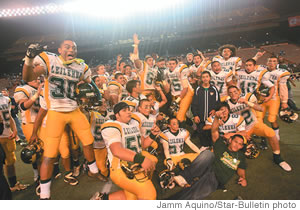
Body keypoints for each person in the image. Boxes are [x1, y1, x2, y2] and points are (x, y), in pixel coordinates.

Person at [22, 40, 106, 199]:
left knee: (88, 141)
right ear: (59, 49)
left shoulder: (81, 66)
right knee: (50, 154)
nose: (71, 49)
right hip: (56, 112)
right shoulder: (50, 60)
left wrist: (98, 94)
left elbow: (90, 81)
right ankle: (45, 194)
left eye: (74, 47)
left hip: (74, 109)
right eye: (67, 46)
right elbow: (28, 76)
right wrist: (29, 58)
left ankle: (93, 170)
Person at [169, 109, 247, 200]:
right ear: (230, 140)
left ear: (242, 147)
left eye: (240, 144)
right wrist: (217, 117)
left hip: (217, 179)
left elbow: (241, 170)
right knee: (208, 153)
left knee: (193, 194)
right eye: (235, 142)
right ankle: (184, 177)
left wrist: (243, 177)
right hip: (209, 169)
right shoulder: (221, 145)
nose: (237, 145)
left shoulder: (241, 156)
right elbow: (214, 131)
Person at [91, 102, 160, 200]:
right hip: (121, 168)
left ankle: (101, 199)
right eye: (124, 110)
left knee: (133, 196)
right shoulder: (112, 126)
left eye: (129, 110)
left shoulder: (134, 123)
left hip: (135, 165)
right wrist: (142, 159)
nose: (128, 112)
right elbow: (117, 151)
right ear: (117, 115)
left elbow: (143, 144)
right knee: (148, 193)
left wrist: (152, 135)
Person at [226, 85, 291, 171]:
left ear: (239, 91)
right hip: (242, 130)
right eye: (230, 92)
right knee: (234, 146)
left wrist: (246, 102)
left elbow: (260, 109)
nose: (233, 94)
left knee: (271, 133)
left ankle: (278, 158)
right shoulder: (227, 103)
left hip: (254, 124)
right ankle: (230, 162)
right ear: (228, 94)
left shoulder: (247, 96)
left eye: (235, 91)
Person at [256, 56, 290, 141]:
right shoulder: (261, 70)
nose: (272, 63)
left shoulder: (280, 73)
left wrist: (284, 101)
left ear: (277, 63)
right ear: (266, 62)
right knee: (259, 119)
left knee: (272, 119)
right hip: (261, 98)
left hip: (274, 98)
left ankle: (276, 135)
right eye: (270, 61)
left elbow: (283, 87)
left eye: (274, 61)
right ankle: (262, 137)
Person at [0, 93, 28, 192]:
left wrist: (14, 130)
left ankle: (13, 184)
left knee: (10, 161)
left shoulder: (6, 99)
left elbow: (10, 116)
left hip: (8, 135)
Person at [191, 71, 220, 147]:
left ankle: (212, 145)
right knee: (201, 133)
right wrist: (195, 115)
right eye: (203, 77)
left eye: (207, 76)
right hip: (200, 117)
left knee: (211, 133)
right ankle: (204, 145)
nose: (205, 78)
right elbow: (194, 104)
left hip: (210, 117)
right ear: (201, 79)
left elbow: (218, 102)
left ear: (210, 78)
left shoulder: (214, 89)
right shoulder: (198, 89)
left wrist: (215, 109)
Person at [163, 57, 194, 123]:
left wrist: (177, 101)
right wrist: (163, 81)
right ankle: (190, 126)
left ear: (177, 64)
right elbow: (167, 90)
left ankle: (185, 132)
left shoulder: (181, 70)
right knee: (176, 114)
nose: (171, 65)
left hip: (186, 93)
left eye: (173, 64)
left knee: (180, 116)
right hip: (176, 94)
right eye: (170, 64)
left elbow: (185, 88)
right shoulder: (166, 72)